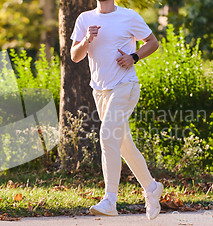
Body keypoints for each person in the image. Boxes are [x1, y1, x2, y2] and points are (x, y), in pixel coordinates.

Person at [70, 0, 164, 220]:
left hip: (125, 86)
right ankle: (152, 189)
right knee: (124, 144)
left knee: (107, 135)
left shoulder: (129, 16)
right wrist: (86, 39)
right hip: (100, 91)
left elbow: (152, 42)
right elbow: (75, 56)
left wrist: (134, 57)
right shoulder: (85, 19)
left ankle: (110, 199)